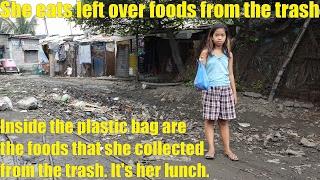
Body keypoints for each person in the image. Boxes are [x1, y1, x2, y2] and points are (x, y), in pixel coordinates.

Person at [199, 23, 238, 161]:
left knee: (224, 121)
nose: (220, 38)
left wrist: (234, 93)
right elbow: (201, 72)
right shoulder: (206, 53)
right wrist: (201, 62)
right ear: (212, 37)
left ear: (226, 37)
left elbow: (231, 74)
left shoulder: (229, 54)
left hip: (226, 89)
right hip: (210, 90)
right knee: (209, 121)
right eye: (217, 35)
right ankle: (211, 149)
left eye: (223, 35)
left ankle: (227, 149)